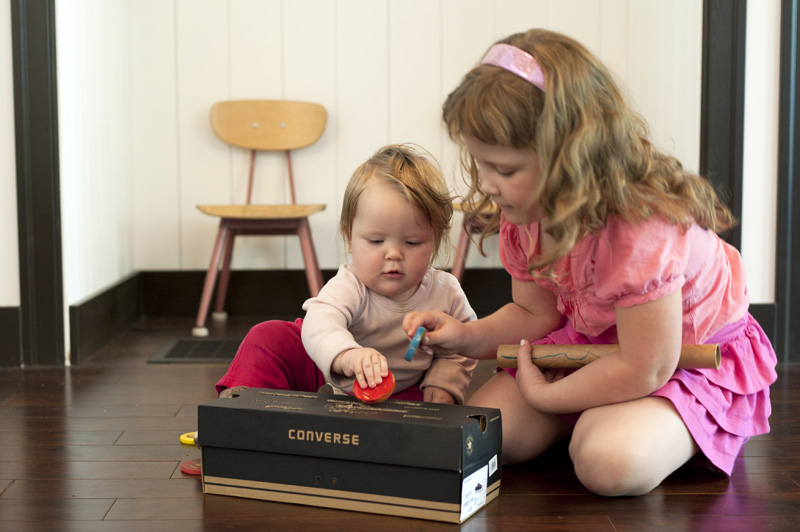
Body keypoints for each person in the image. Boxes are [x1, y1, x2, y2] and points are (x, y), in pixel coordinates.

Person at [403, 29, 778, 495]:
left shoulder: (640, 230)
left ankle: (687, 425)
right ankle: (599, 415)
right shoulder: (528, 213)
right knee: (490, 432)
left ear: (569, 157)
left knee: (607, 463)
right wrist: (466, 336)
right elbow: (532, 315)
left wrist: (550, 396)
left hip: (679, 359)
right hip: (600, 347)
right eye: (482, 165)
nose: (488, 185)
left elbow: (646, 366)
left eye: (505, 170)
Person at [216, 144, 478, 404]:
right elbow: (320, 323)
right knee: (268, 335)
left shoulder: (446, 293)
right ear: (349, 238)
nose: (394, 254)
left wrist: (444, 382)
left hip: (399, 392)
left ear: (435, 240)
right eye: (376, 241)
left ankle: (354, 422)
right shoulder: (350, 284)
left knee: (426, 407)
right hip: (325, 375)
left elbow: (465, 345)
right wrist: (348, 356)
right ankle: (243, 407)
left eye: (412, 243)